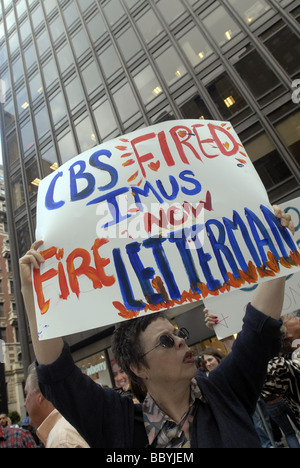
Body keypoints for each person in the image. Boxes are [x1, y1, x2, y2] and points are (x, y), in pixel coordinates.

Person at [19, 206, 295, 448]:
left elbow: (257, 329)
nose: (181, 342)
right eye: (165, 341)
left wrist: (279, 245)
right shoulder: (117, 422)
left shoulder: (225, 390)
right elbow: (58, 374)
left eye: (178, 334)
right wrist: (32, 293)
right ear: (138, 368)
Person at [24, 362, 90, 448]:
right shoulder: (70, 426)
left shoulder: (60, 440)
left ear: (41, 396)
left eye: (26, 394)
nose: (25, 404)